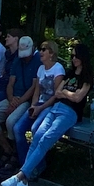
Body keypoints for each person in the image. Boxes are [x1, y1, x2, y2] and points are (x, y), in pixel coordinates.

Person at [2, 43, 93, 186]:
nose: (74, 59)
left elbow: (78, 97)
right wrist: (65, 93)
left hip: (70, 113)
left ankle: (19, 176)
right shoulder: (70, 73)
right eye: (72, 56)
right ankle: (24, 181)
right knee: (37, 136)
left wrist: (65, 93)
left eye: (76, 55)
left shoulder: (87, 77)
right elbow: (57, 92)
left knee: (46, 139)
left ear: (83, 56)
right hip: (56, 108)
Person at [0, 34, 39, 161]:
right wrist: (11, 99)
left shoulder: (37, 60)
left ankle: (17, 152)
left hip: (26, 100)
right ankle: (7, 149)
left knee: (11, 122)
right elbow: (10, 83)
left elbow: (34, 87)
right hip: (13, 98)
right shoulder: (17, 60)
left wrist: (18, 102)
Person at [13, 40, 67, 168]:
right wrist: (33, 106)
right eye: (41, 49)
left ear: (51, 53)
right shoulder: (41, 68)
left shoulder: (58, 69)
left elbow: (56, 95)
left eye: (44, 49)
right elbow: (37, 90)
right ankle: (25, 164)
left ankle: (38, 166)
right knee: (18, 128)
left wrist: (40, 108)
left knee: (35, 129)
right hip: (38, 103)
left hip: (51, 105)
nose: (41, 52)